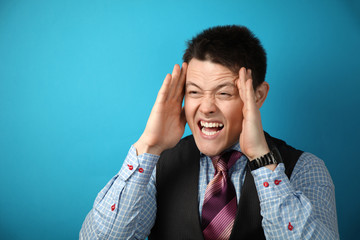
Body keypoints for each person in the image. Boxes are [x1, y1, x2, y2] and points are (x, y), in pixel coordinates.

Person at [80, 25, 339, 239]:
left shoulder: (305, 169)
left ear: (258, 96)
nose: (206, 108)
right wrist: (148, 146)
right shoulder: (155, 168)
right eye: (193, 92)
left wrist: (262, 160)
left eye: (224, 93)